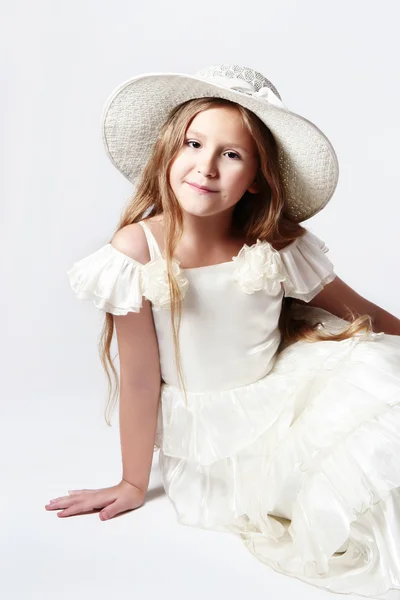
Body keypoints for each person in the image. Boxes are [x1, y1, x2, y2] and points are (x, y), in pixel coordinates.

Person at [45, 64, 400, 598]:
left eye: (231, 155)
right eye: (193, 144)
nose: (206, 166)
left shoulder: (278, 244)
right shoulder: (137, 251)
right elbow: (141, 380)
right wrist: (133, 481)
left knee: (375, 373)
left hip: (285, 397)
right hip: (215, 439)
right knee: (330, 501)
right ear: (170, 150)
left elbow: (359, 311)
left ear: (256, 175)